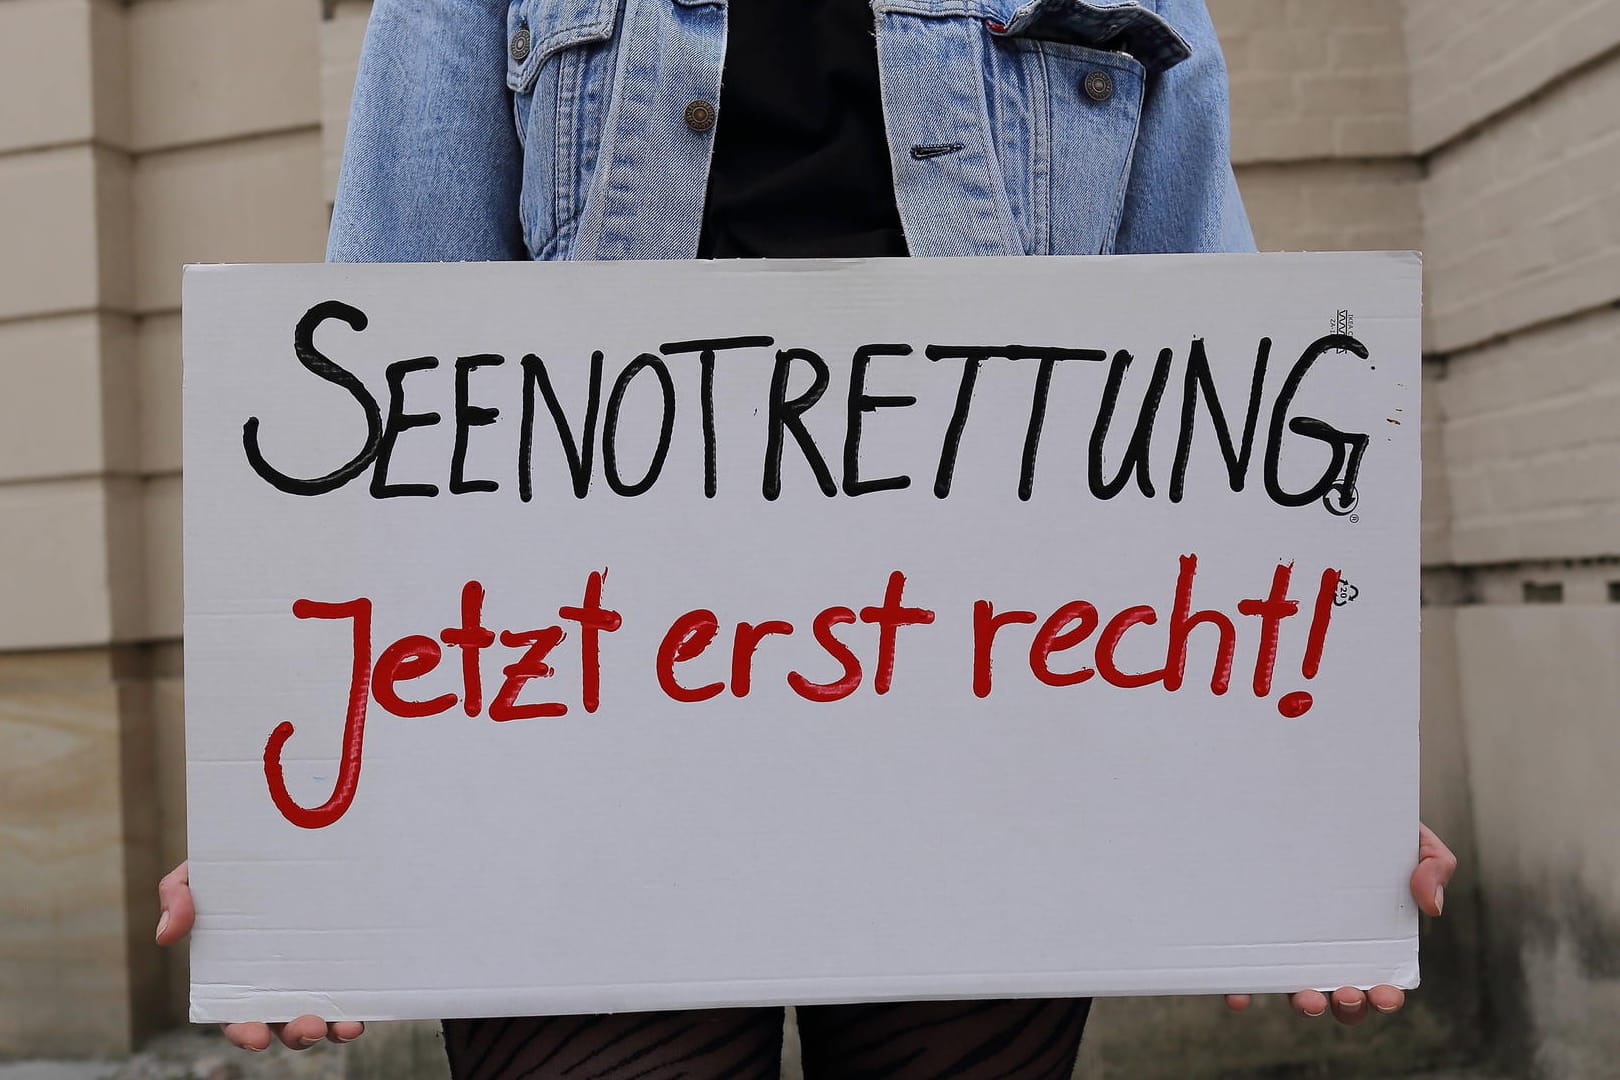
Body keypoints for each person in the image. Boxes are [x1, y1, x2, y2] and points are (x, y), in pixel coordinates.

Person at [158, 0, 1460, 1075]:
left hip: (987, 766)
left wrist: (1306, 803)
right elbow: (390, 368)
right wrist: (304, 837)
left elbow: (1216, 398)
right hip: (575, 772)